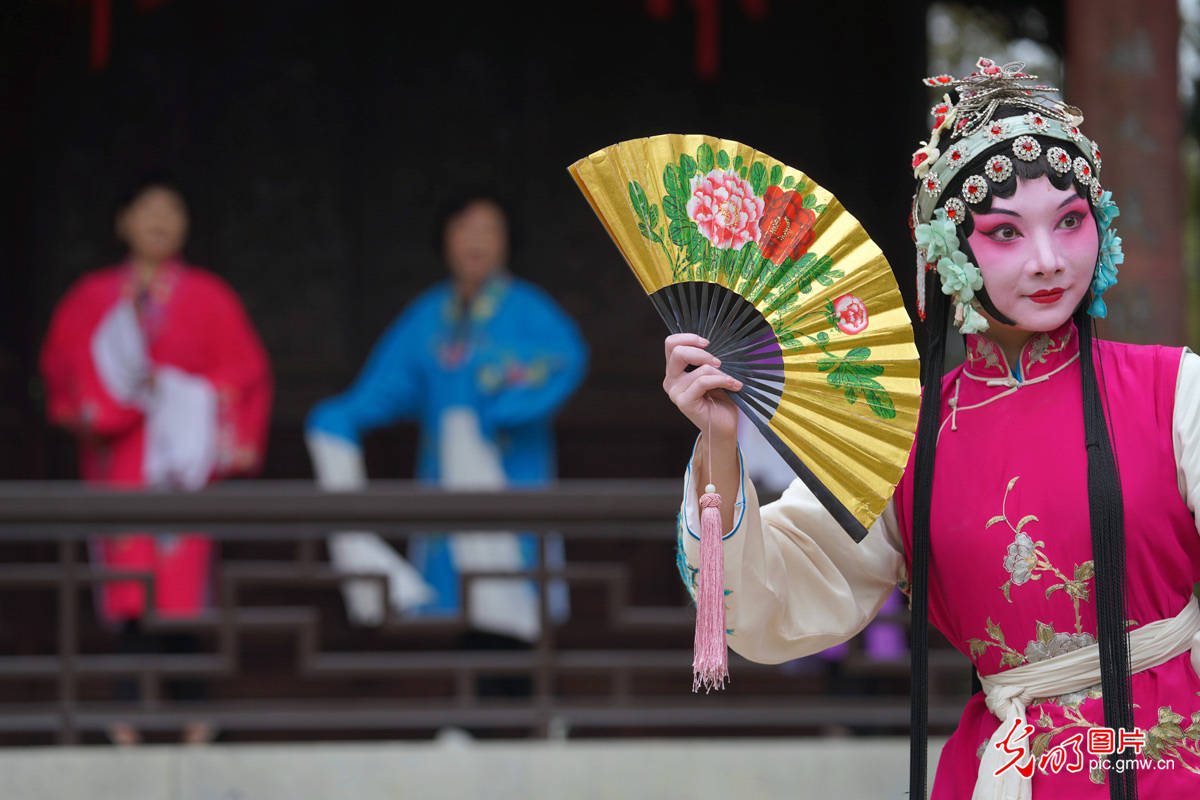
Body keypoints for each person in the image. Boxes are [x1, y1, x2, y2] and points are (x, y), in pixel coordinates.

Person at [666, 59, 1200, 797]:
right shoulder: (905, 439)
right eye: (1005, 232)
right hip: (1009, 769)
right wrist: (720, 443)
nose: (1048, 262)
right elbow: (773, 595)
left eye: (1069, 222)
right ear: (948, 254)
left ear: (1099, 227)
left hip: (1171, 754)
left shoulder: (1177, 391)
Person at [40, 176, 273, 744]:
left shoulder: (211, 297)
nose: (159, 221)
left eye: (172, 210)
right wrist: (109, 399)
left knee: (180, 589)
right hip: (120, 465)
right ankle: (127, 714)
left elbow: (245, 373)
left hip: (180, 468)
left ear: (187, 225)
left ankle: (194, 711)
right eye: (147, 211)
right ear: (123, 222)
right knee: (127, 590)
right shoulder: (92, 296)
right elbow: (63, 368)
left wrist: (181, 394)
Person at [306, 191, 587, 646]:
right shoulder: (428, 315)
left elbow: (565, 361)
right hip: (445, 486)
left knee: (513, 610)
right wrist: (335, 420)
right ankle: (476, 717)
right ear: (445, 241)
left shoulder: (530, 309)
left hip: (511, 480)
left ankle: (509, 716)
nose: (475, 241)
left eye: (488, 230)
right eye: (464, 230)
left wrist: (493, 391)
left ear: (507, 242)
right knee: (457, 613)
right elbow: (386, 388)